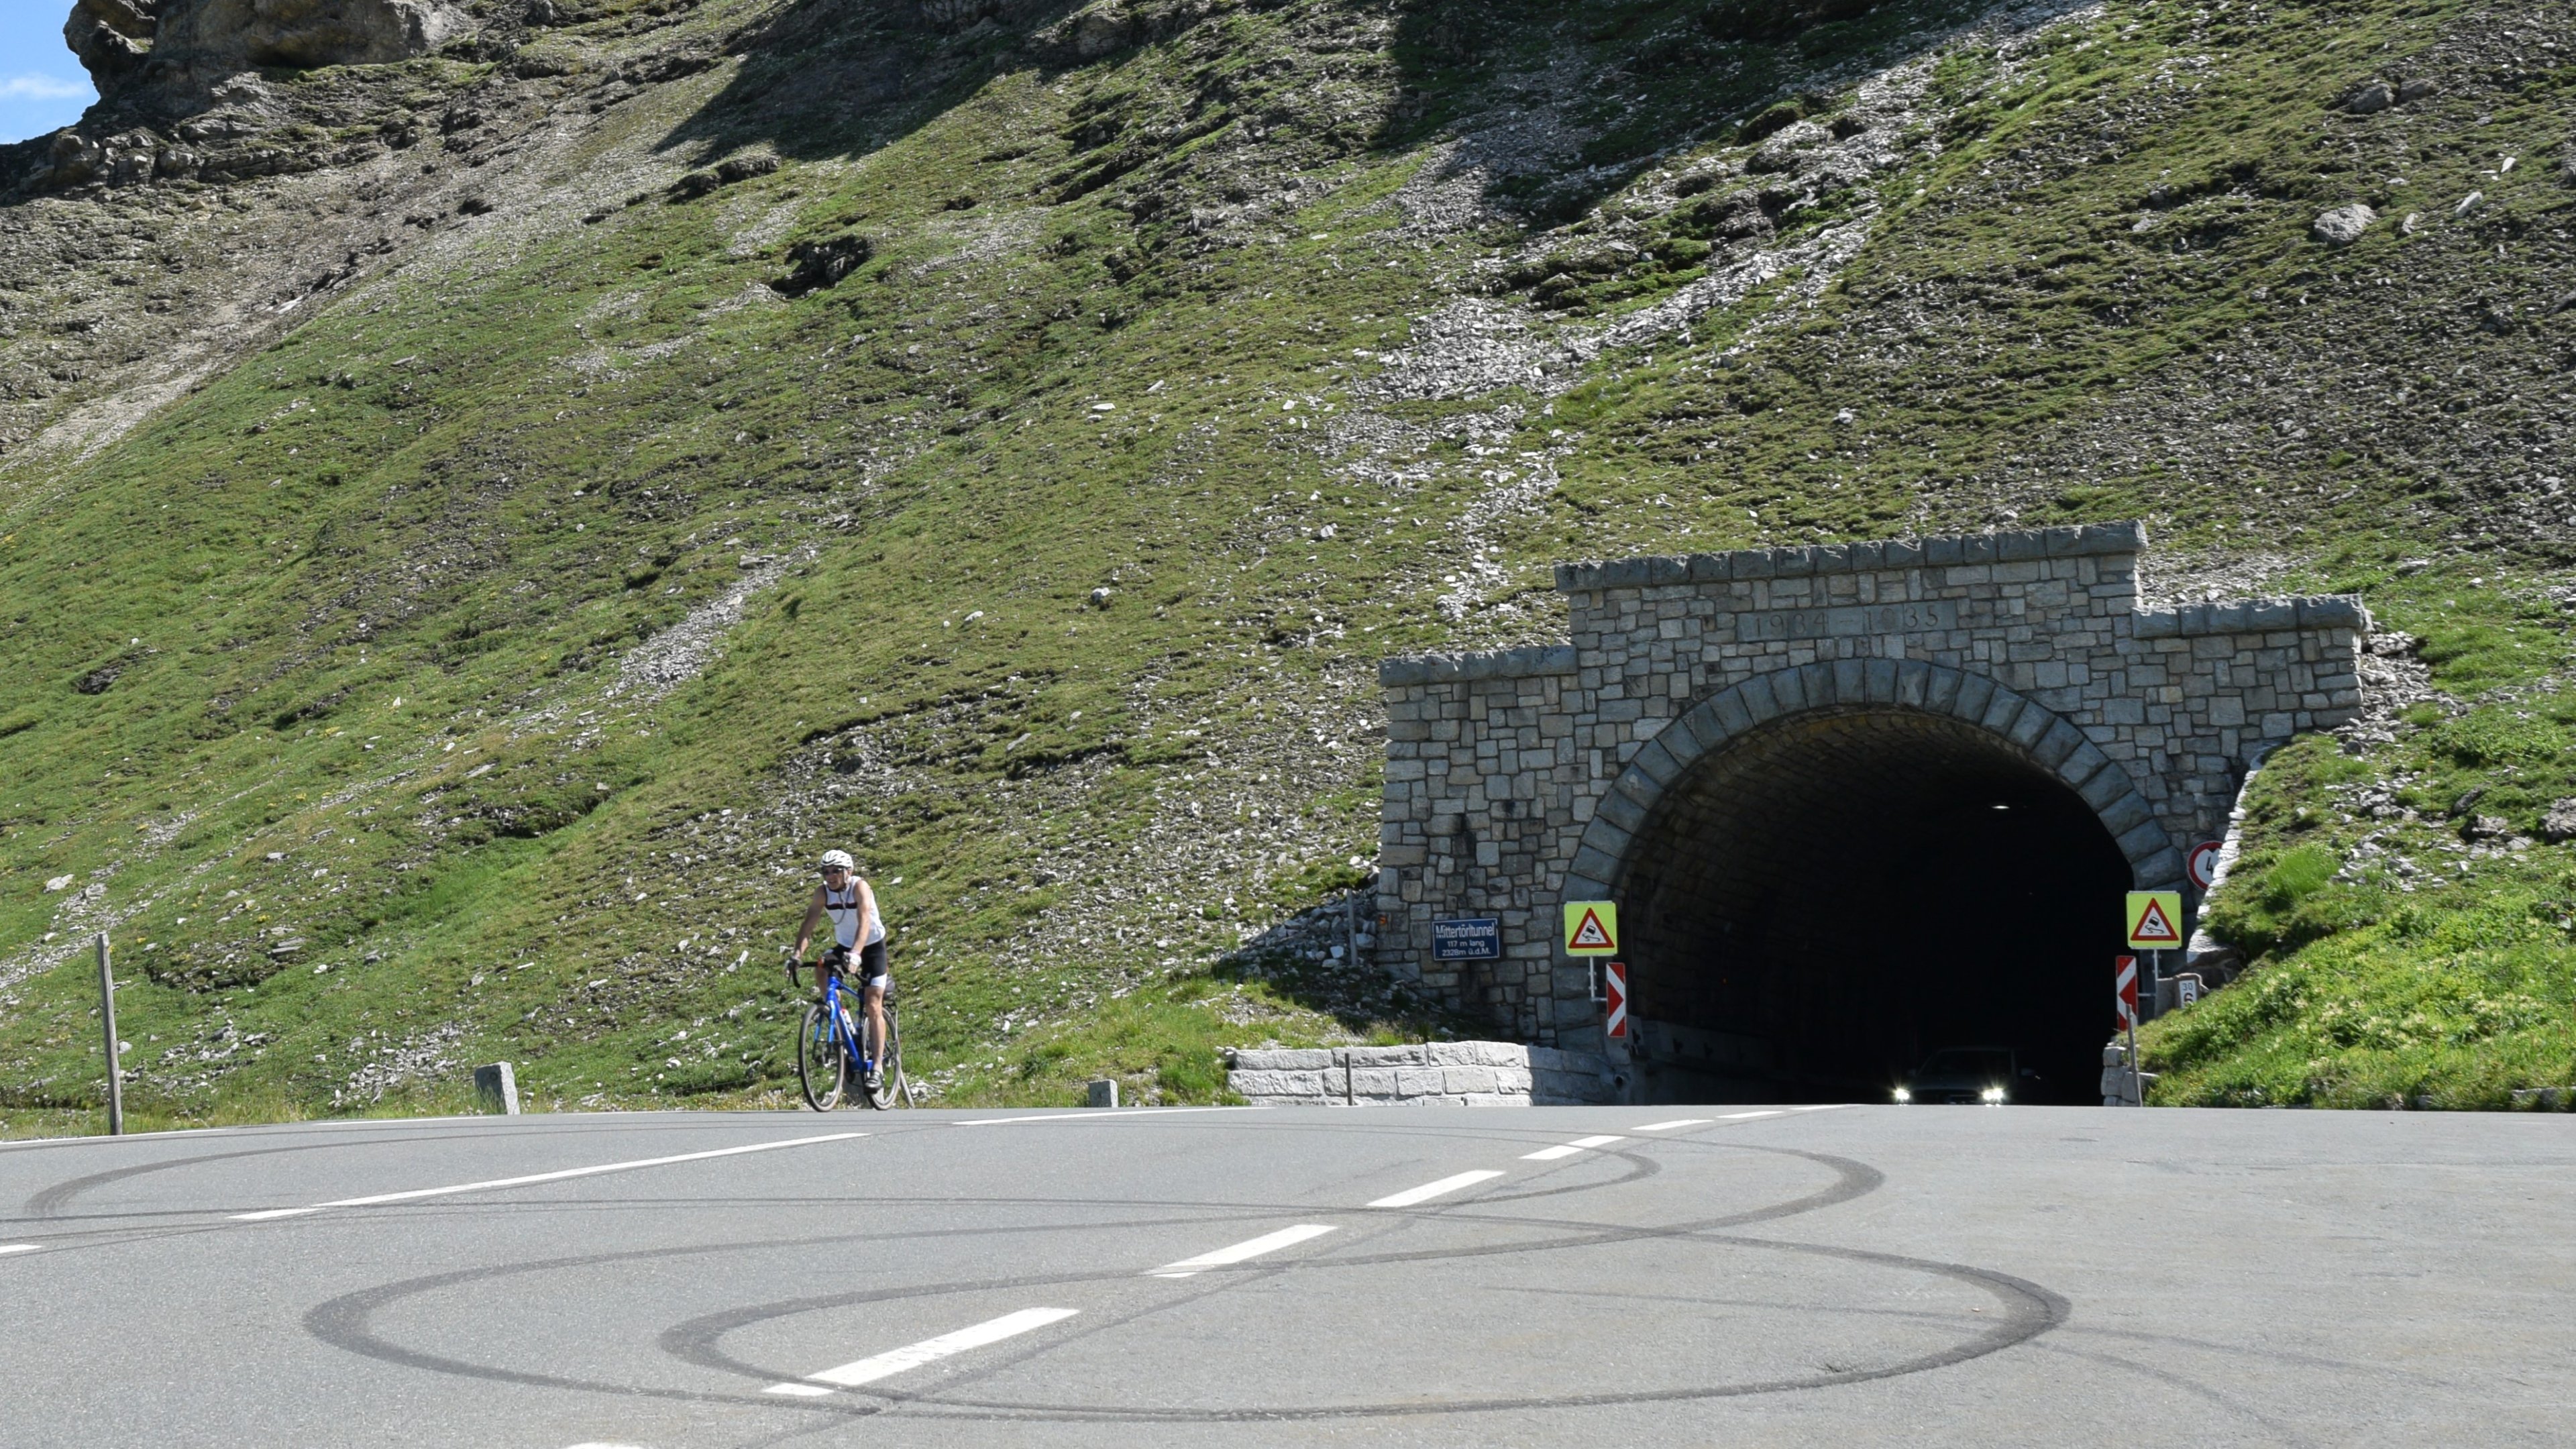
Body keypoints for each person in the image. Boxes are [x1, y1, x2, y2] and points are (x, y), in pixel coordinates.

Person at [790, 849, 890, 1091]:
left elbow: (864, 919)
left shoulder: (860, 887)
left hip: (872, 946)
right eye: (825, 871)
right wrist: (796, 955)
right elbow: (809, 924)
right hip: (845, 945)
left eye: (836, 871)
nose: (830, 876)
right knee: (822, 966)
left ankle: (877, 1068)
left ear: (849, 871)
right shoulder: (822, 893)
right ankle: (838, 1014)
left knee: (873, 1003)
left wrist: (857, 953)